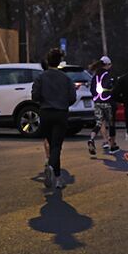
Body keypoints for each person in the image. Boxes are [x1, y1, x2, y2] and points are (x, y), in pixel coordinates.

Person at [32, 48, 77, 189]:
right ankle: (54, 173)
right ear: (59, 62)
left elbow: (35, 96)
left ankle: (55, 175)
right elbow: (72, 98)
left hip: (45, 112)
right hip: (61, 113)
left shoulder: (41, 77)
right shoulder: (66, 78)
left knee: (51, 144)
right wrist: (63, 103)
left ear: (48, 61)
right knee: (57, 146)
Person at [88, 55, 119, 157]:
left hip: (97, 102)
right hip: (108, 102)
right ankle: (112, 146)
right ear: (107, 65)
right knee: (111, 124)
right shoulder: (108, 75)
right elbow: (111, 87)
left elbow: (92, 89)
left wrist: (96, 98)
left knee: (99, 122)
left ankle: (92, 139)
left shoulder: (95, 75)